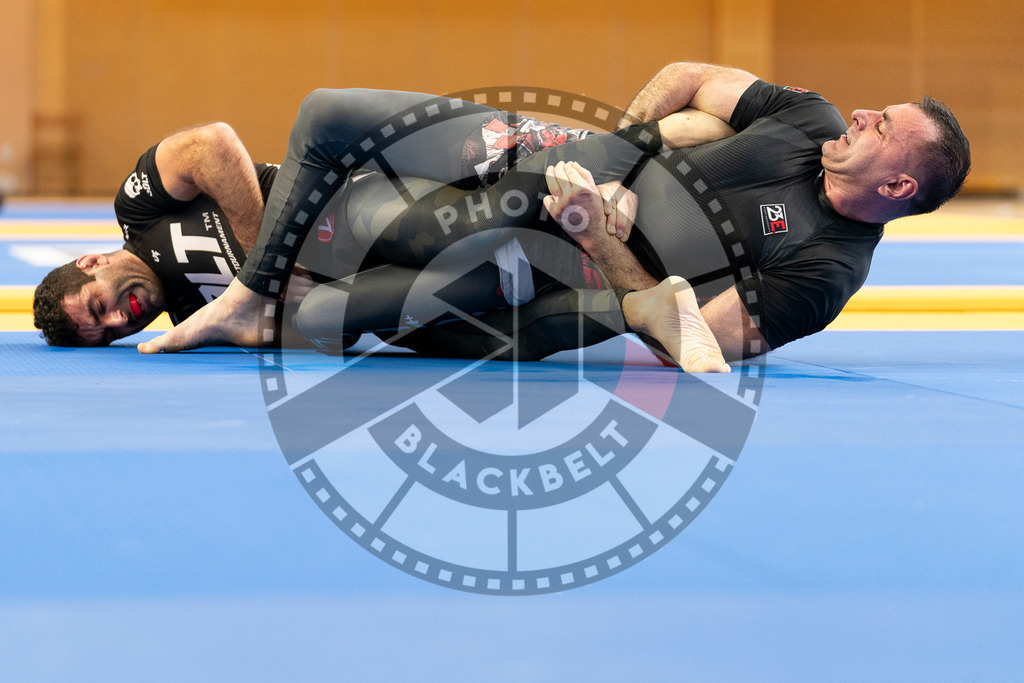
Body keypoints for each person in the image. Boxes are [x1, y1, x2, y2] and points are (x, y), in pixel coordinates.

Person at [137, 62, 969, 366]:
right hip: (542, 166)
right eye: (872, 112)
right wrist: (627, 149)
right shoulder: (809, 119)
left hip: (543, 273)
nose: (862, 118)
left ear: (898, 187)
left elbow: (697, 338)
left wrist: (600, 236)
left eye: (882, 128)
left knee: (321, 311)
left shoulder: (826, 271)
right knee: (326, 111)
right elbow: (686, 73)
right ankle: (248, 294)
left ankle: (273, 306)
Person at [32, 103, 734, 370]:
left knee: (426, 234)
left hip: (336, 209)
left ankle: (596, 177)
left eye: (100, 306)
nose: (125, 317)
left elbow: (212, 144)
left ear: (90, 261)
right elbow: (302, 327)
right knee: (480, 335)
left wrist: (260, 268)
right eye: (114, 332)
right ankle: (621, 293)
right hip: (349, 285)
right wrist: (278, 314)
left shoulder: (138, 209)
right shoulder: (184, 318)